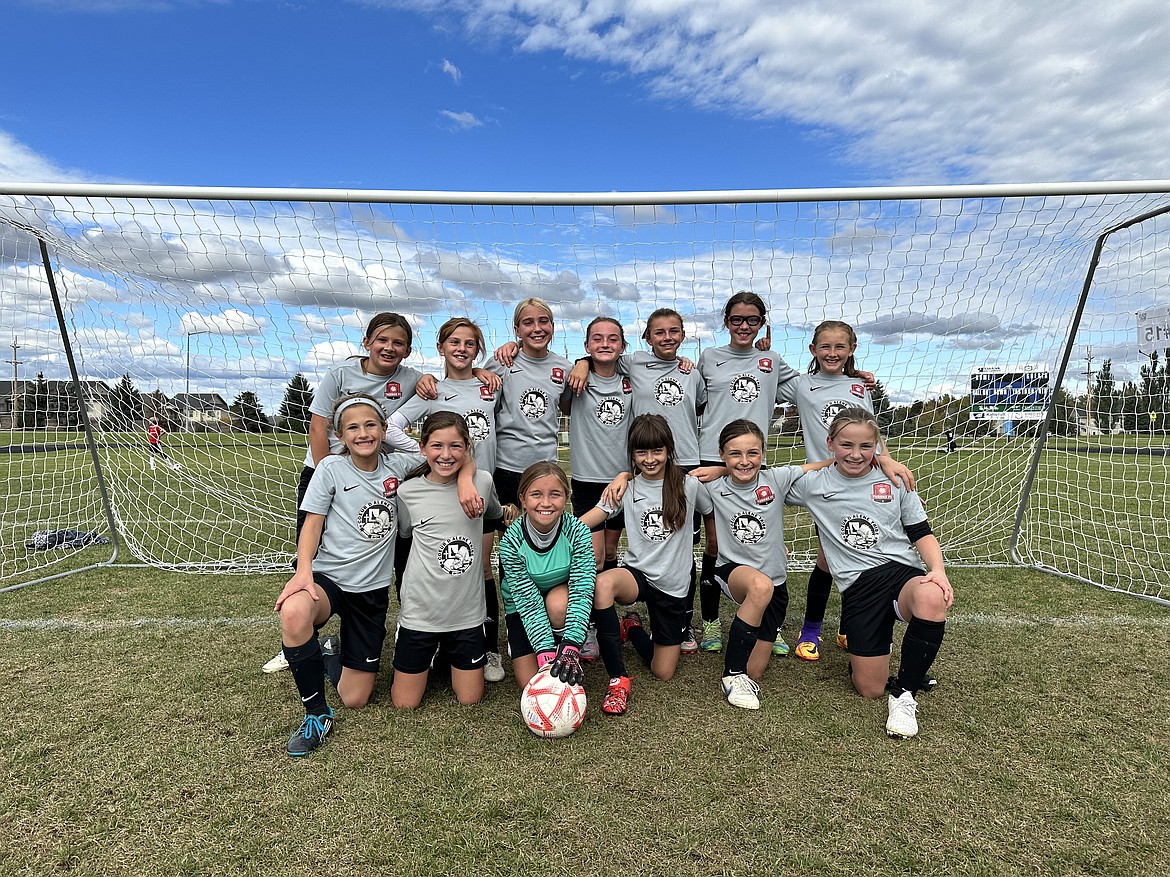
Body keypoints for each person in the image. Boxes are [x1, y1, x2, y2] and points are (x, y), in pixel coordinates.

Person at [785, 407, 952, 738]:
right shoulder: (813, 485)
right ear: (830, 442)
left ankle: (904, 695)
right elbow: (760, 479)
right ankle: (879, 659)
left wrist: (938, 570)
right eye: (846, 445)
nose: (856, 454)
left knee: (932, 595)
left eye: (866, 446)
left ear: (877, 445)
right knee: (869, 688)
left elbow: (921, 531)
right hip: (858, 588)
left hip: (900, 574)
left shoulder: (895, 479)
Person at [273, 394, 424, 756]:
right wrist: (304, 572)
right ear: (340, 436)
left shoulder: (398, 466)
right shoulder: (330, 469)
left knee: (355, 698)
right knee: (294, 612)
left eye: (371, 425)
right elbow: (312, 524)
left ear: (385, 430)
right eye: (352, 427)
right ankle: (316, 714)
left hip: (371, 592)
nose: (363, 433)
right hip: (328, 580)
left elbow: (442, 453)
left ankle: (327, 653)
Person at [569, 307, 708, 654]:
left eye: (674, 331)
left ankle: (681, 622)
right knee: (597, 556)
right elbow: (598, 355)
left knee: (677, 549)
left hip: (680, 466)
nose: (666, 337)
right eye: (658, 332)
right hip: (615, 475)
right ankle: (594, 625)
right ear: (645, 339)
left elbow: (701, 406)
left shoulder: (689, 372)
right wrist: (581, 362)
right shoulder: (632, 364)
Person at [777, 319, 907, 662]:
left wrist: (887, 460)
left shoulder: (858, 387)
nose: (832, 353)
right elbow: (765, 380)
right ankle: (811, 631)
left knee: (862, 552)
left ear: (851, 350)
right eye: (825, 346)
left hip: (863, 479)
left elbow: (870, 433)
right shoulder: (801, 385)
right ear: (813, 350)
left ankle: (849, 627)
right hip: (826, 485)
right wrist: (762, 352)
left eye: (840, 347)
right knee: (828, 558)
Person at [387, 317, 508, 682]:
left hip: (479, 491)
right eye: (453, 342)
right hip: (439, 495)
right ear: (441, 347)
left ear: (478, 350)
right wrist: (425, 457)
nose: (461, 349)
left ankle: (488, 648)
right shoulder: (430, 389)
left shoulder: (491, 386)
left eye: (469, 344)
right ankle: (421, 632)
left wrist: (469, 475)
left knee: (482, 568)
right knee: (424, 564)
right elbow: (392, 426)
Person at [576, 414, 714, 716]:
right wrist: (550, 529)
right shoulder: (626, 488)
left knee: (662, 672)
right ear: (632, 454)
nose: (650, 459)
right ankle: (617, 679)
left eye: (657, 451)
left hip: (674, 585)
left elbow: (713, 508)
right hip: (636, 575)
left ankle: (633, 628)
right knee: (603, 584)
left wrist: (717, 546)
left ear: (669, 450)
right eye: (641, 452)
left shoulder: (688, 486)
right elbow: (588, 519)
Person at [693, 292, 799, 656]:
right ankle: (710, 622)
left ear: (762, 323)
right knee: (716, 545)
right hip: (713, 460)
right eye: (736, 319)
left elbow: (809, 388)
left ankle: (770, 622)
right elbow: (693, 398)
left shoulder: (771, 360)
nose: (743, 326)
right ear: (726, 322)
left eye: (751, 320)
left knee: (761, 543)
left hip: (750, 460)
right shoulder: (709, 358)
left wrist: (852, 373)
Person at [390, 411, 503, 710]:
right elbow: (404, 533)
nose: (446, 454)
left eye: (455, 446)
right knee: (404, 704)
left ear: (467, 448)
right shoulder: (408, 491)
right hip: (421, 612)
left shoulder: (482, 481)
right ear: (422, 447)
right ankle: (424, 648)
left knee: (470, 699)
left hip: (466, 614)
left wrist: (470, 480)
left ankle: (447, 653)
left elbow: (493, 514)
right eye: (437, 446)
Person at [498, 462, 595, 687]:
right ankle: (537, 644)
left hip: (558, 598)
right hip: (523, 606)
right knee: (531, 683)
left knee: (559, 605)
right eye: (536, 494)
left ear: (566, 496)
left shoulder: (577, 531)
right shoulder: (512, 540)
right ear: (523, 499)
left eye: (555, 494)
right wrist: (546, 655)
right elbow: (529, 602)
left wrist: (570, 646)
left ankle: (566, 647)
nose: (546, 503)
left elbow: (581, 590)